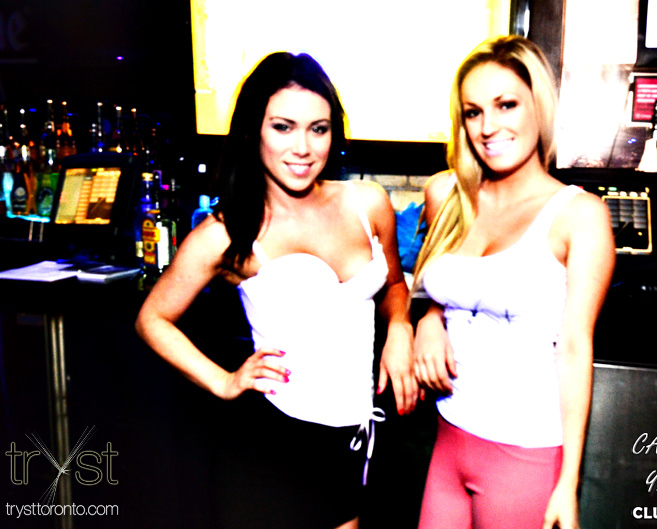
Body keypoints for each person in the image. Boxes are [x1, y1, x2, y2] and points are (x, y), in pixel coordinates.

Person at [135, 51, 416, 529]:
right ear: (253, 131)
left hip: (351, 439)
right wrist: (223, 382)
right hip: (270, 445)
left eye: (318, 129)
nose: (303, 147)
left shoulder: (367, 203)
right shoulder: (228, 233)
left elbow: (392, 284)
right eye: (283, 127)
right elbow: (152, 319)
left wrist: (401, 327)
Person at [411, 35, 615, 529]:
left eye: (506, 105)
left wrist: (567, 484)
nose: (488, 127)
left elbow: (575, 348)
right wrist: (428, 320)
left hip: (525, 455)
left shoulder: (579, 215)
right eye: (473, 112)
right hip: (447, 437)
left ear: (537, 106)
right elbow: (438, 288)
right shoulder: (448, 194)